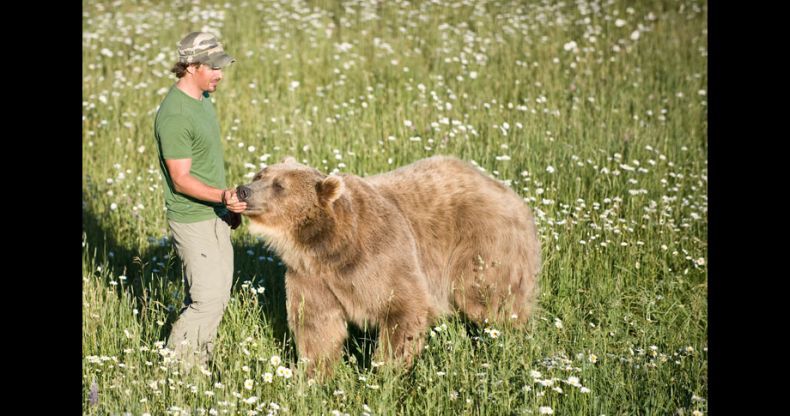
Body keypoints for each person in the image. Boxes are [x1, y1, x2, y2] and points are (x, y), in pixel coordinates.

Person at [154, 31, 246, 370]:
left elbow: (205, 166)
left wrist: (226, 208)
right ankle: (177, 373)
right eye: (213, 67)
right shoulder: (176, 115)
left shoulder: (202, 100)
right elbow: (180, 180)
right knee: (207, 301)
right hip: (193, 218)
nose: (220, 74)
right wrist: (222, 196)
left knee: (218, 296)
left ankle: (198, 362)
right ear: (191, 66)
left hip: (215, 212)